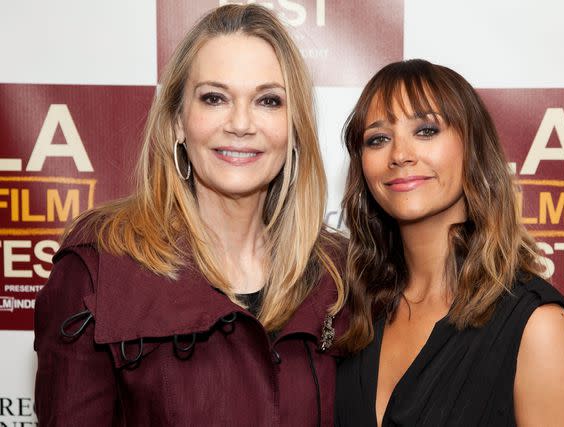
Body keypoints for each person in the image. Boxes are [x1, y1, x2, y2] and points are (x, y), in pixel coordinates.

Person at [34, 4, 348, 426]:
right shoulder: (99, 268)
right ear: (179, 121)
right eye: (215, 98)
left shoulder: (337, 273)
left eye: (268, 101)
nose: (240, 123)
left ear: (294, 127)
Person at [334, 59, 564, 426]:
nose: (400, 154)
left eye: (426, 130)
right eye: (378, 139)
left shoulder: (538, 328)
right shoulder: (354, 315)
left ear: (472, 147)